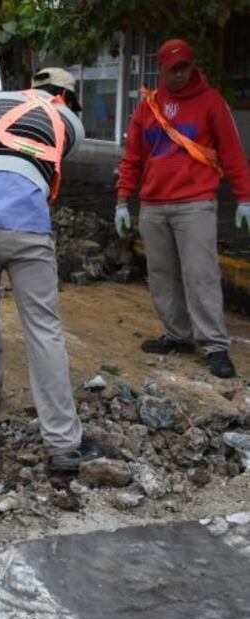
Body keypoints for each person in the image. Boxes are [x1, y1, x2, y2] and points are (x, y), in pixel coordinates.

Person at [0, 68, 101, 472]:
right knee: (43, 329)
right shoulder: (71, 123)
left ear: (33, 85)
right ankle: (63, 443)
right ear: (65, 95)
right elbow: (37, 159)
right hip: (26, 229)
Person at [115, 38, 250, 379]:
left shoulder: (211, 102)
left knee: (200, 275)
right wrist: (121, 201)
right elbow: (133, 158)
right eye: (172, 68)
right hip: (153, 205)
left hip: (195, 204)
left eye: (184, 67)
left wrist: (245, 197)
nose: (179, 74)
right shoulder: (148, 107)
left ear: (192, 66)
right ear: (160, 68)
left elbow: (232, 153)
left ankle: (214, 345)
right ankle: (178, 335)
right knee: (162, 276)